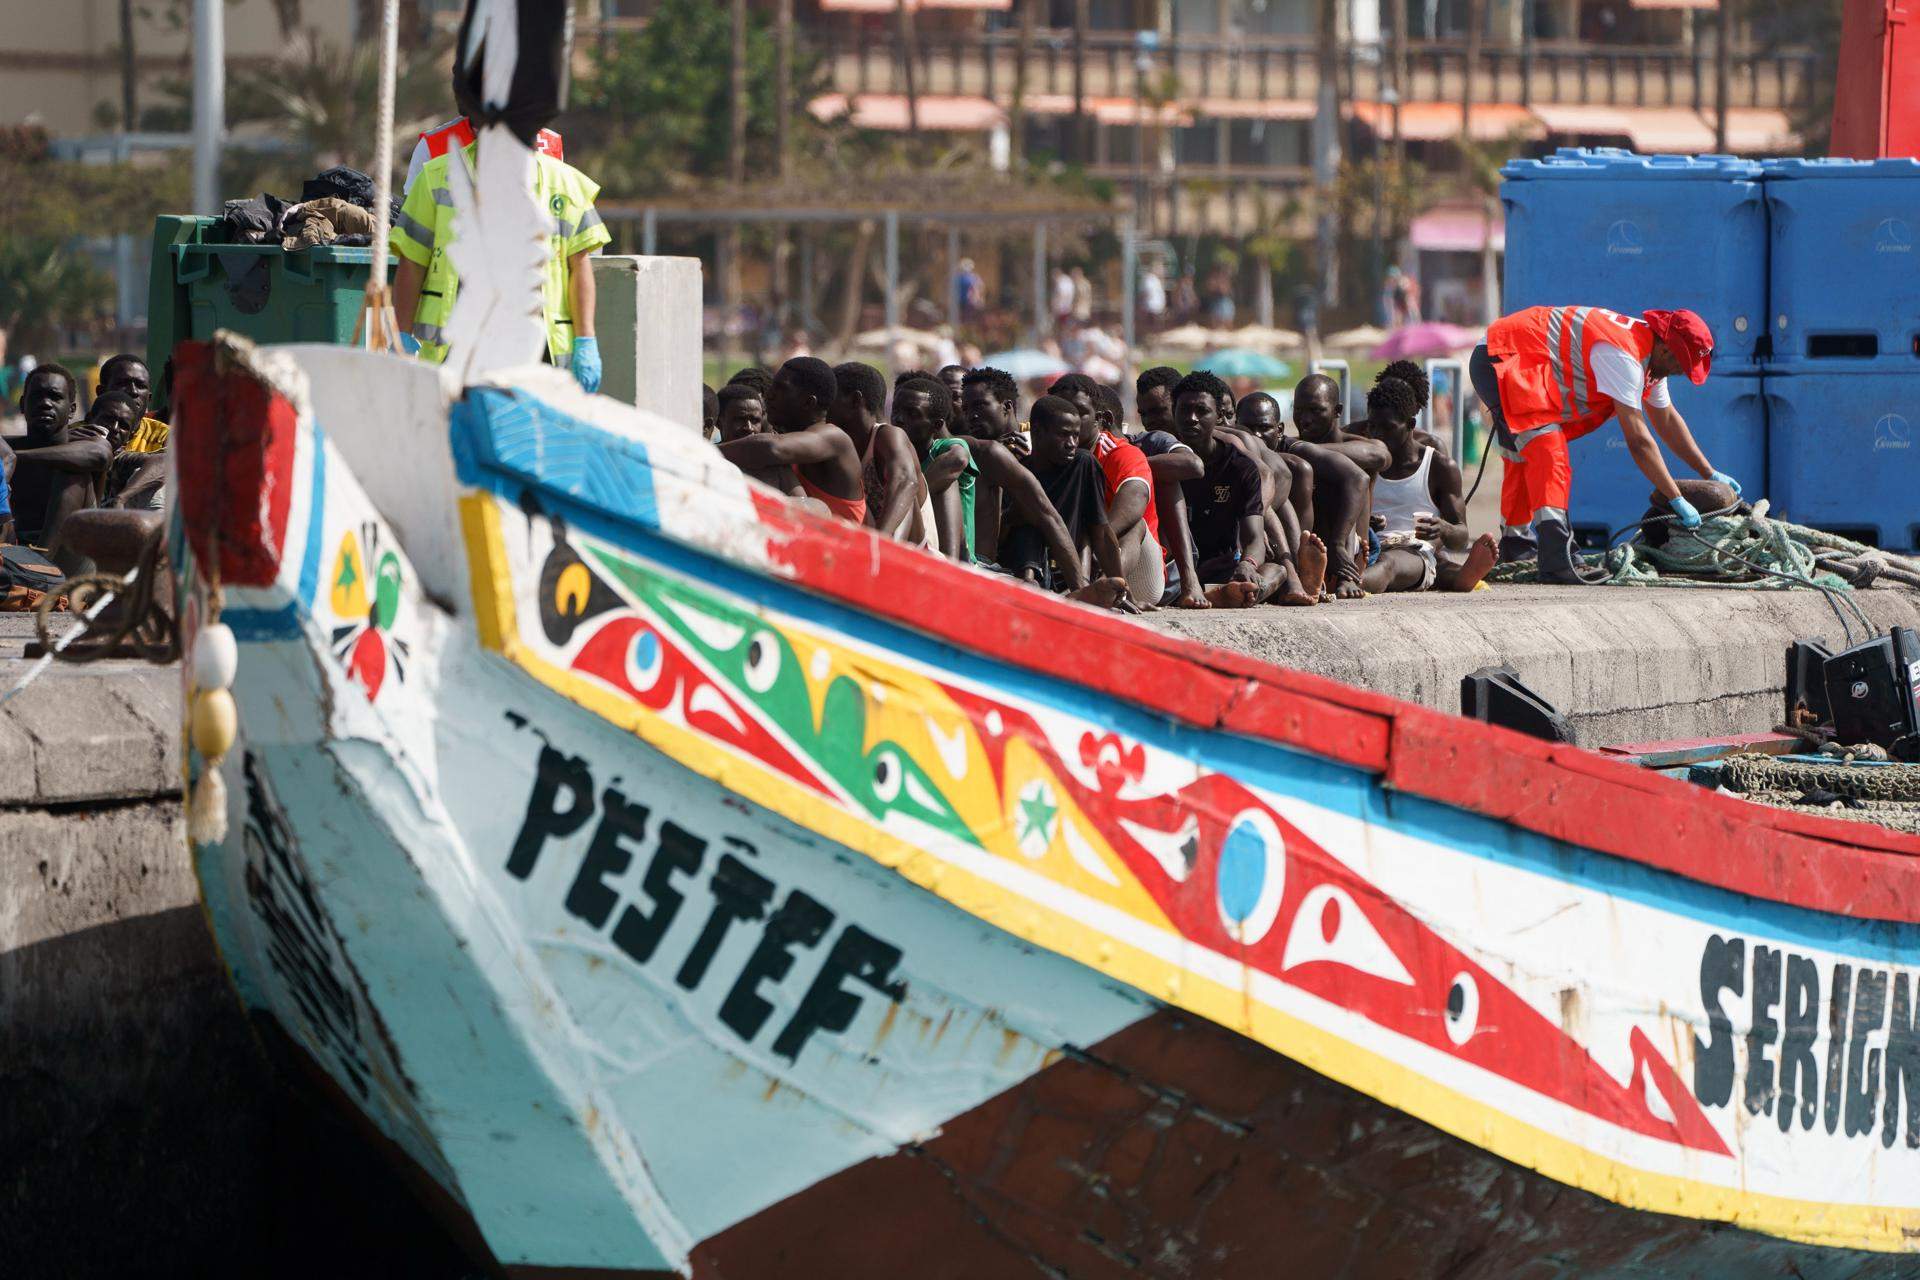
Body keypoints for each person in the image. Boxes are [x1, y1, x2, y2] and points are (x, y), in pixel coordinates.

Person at [1470, 305, 1729, 583]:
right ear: (1667, 350)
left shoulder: (1651, 356)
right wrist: (1676, 498)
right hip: (1504, 357)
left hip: (1510, 353)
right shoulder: (1623, 355)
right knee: (1548, 451)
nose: (1679, 374)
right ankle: (1558, 558)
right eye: (1681, 366)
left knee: (1524, 456)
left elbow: (1667, 420)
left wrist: (1709, 473)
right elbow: (1640, 441)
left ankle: (1516, 546)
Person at [391, 124, 611, 393]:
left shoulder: (565, 182)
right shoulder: (436, 173)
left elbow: (579, 265)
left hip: (539, 348)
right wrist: (401, 338)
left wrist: (585, 340)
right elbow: (412, 262)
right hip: (460, 342)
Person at [1171, 372, 1308, 607]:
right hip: (1175, 569)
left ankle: (1238, 591)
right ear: (1173, 411)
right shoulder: (1164, 456)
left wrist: (1248, 563)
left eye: (1202, 411)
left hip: (1222, 567)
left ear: (1220, 416)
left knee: (1276, 571)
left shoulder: (1239, 466)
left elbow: (1254, 536)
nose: (1191, 418)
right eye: (1184, 409)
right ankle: (1224, 595)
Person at [1358, 377, 1498, 594]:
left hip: (1412, 553)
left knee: (1388, 563)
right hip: (1367, 546)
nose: (1378, 436)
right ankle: (1458, 578)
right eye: (1373, 427)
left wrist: (1443, 527)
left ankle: (1347, 583)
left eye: (1388, 428)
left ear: (1411, 425)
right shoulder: (1363, 461)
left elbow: (1460, 536)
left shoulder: (1438, 467)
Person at [1000, 397, 1137, 612]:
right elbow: (999, 533)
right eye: (1064, 434)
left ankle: (1076, 591)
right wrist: (1014, 516)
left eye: (1075, 435)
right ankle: (1030, 582)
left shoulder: (1082, 464)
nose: (1072, 443)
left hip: (1063, 577)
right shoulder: (1017, 471)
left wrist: (1121, 589)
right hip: (1019, 568)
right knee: (1031, 523)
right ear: (1037, 432)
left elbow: (1100, 531)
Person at [1048, 374, 1164, 607]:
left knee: (1132, 524)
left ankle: (1107, 588)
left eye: (1079, 412)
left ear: (1098, 418)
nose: (1069, 420)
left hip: (1135, 570)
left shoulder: (1121, 453)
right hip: (1073, 566)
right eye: (1060, 413)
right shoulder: (1045, 456)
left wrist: (1090, 541)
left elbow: (1135, 501)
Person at [716, 357, 866, 523]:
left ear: (808, 402)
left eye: (780, 389)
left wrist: (704, 450)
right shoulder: (789, 439)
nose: (769, 395)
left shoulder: (834, 438)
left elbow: (770, 448)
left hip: (844, 546)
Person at [1293, 372, 1387, 599]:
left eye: (1316, 410)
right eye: (1299, 410)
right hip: (1312, 544)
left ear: (1337, 411)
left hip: (1351, 546)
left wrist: (1306, 450)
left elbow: (1380, 456)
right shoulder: (1291, 450)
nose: (1305, 419)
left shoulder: (1356, 445)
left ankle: (1348, 574)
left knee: (1349, 477)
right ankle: (1311, 568)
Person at [1, 364, 109, 556]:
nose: (45, 403)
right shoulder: (8, 448)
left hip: (70, 557)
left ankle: (38, 568)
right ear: (22, 405)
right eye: (37, 396)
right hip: (13, 550)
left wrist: (14, 458)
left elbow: (100, 456)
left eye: (55, 397)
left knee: (73, 474)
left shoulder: (87, 444)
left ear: (71, 410)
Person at [829, 362, 927, 544]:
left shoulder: (889, 435)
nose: (825, 405)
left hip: (914, 556)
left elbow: (906, 483)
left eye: (830, 397)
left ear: (855, 401)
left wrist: (877, 546)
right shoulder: (843, 447)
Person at [892, 375, 977, 563]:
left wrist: (917, 492)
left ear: (936, 425)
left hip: (954, 555)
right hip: (915, 547)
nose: (898, 419)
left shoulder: (944, 449)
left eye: (912, 414)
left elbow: (959, 459)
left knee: (947, 484)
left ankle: (951, 569)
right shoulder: (891, 454)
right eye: (895, 410)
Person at [98, 355, 167, 454]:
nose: (133, 391)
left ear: (149, 398)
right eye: (123, 384)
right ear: (101, 392)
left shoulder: (165, 436)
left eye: (141, 386)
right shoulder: (77, 436)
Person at [953, 258, 984, 323]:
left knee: (965, 319)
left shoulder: (973, 277)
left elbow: (978, 289)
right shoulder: (959, 277)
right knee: (966, 319)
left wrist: (978, 299)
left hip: (967, 302)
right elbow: (978, 288)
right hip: (963, 302)